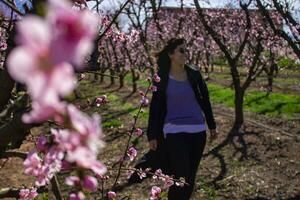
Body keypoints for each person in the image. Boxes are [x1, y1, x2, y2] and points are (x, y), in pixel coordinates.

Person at [129, 38, 218, 200]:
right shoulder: (161, 78)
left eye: (186, 50)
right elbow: (155, 108)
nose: (186, 53)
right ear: (171, 54)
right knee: (180, 175)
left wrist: (212, 126)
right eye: (181, 50)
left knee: (190, 177)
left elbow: (205, 100)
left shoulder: (194, 75)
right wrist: (152, 135)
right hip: (174, 132)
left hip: (198, 132)